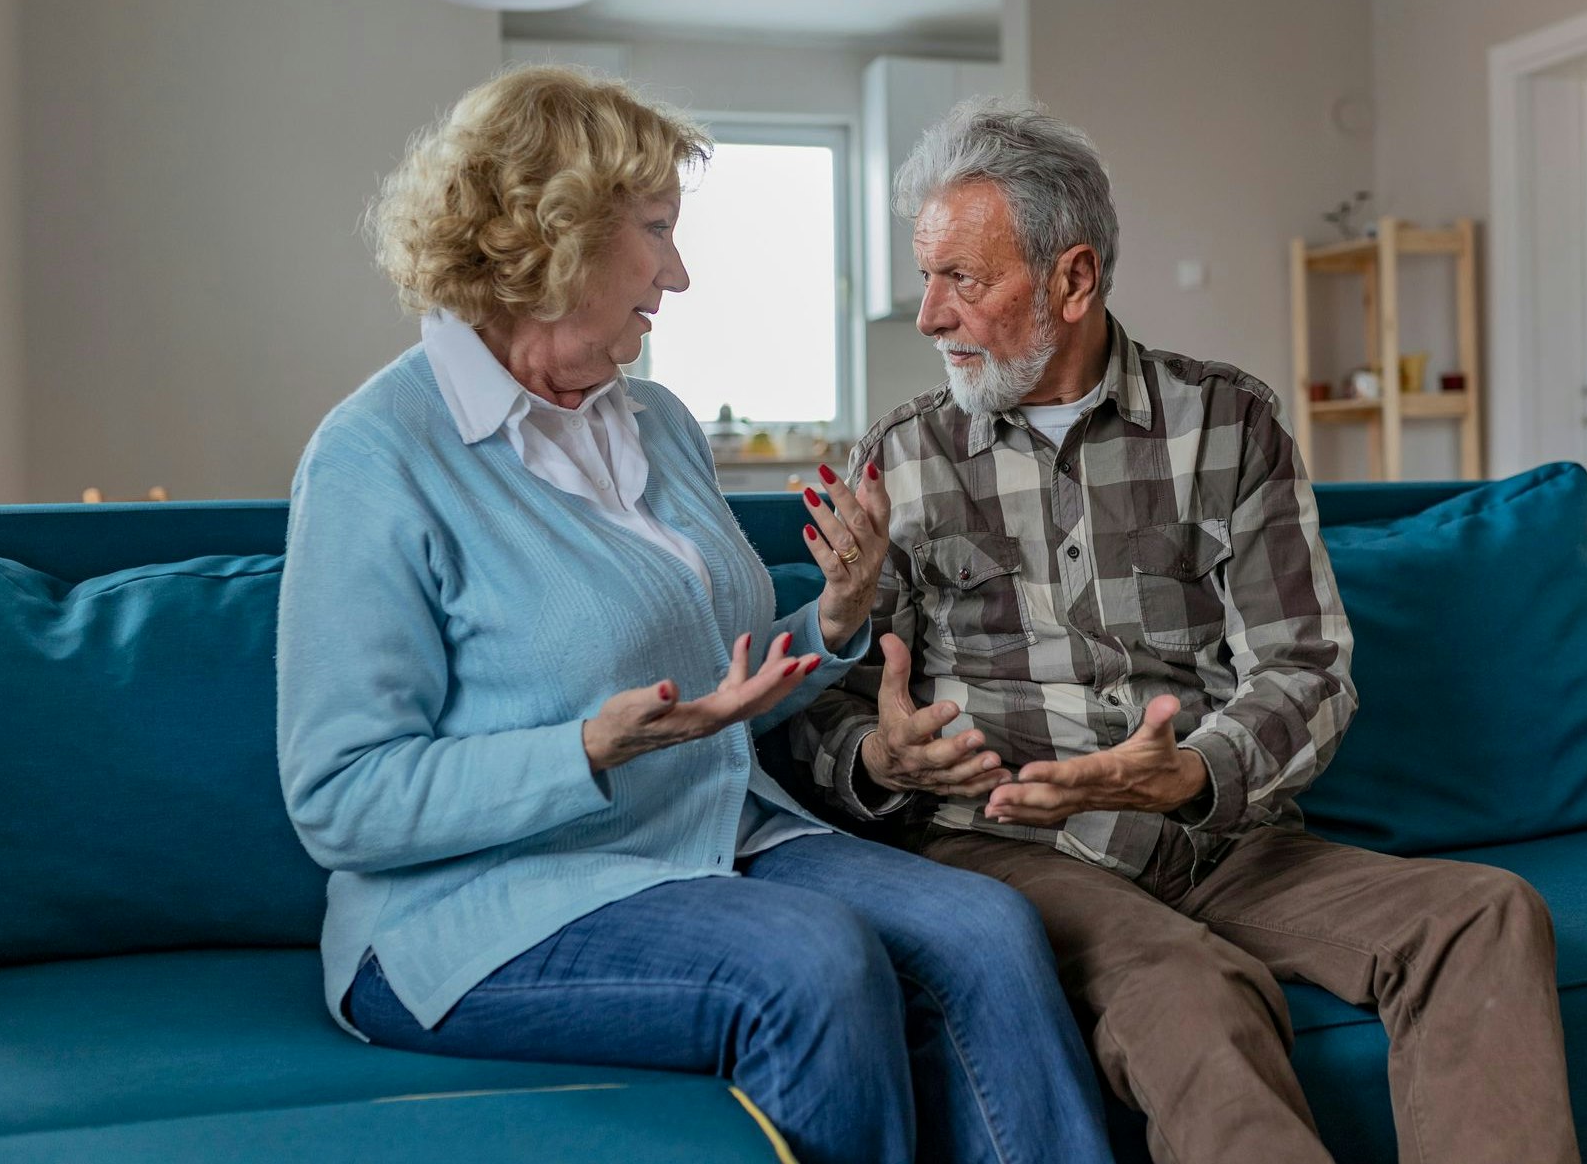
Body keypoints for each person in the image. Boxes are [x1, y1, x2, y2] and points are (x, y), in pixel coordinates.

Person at [276, 67, 1112, 1164]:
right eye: (657, 229)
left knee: (990, 929)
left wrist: (834, 617)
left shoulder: (656, 420)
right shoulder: (376, 457)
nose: (677, 270)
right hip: (490, 903)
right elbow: (341, 798)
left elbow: (715, 688)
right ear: (553, 231)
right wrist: (584, 749)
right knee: (810, 960)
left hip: (716, 836)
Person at [798, 100, 1582, 1164]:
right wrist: (879, 756)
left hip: (1220, 834)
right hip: (1017, 845)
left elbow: (1307, 667)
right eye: (926, 275)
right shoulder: (903, 455)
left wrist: (1190, 774)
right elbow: (831, 703)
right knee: (1192, 993)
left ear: (1074, 279)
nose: (929, 313)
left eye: (963, 280)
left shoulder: (1230, 423)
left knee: (1483, 913)